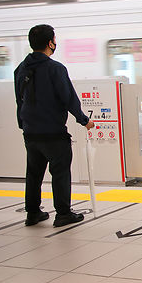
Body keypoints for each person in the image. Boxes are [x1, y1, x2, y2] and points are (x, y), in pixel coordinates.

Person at [14, 24, 94, 227]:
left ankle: (32, 213)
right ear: (50, 43)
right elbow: (68, 98)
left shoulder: (20, 69)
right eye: (54, 39)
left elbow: (19, 100)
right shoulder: (55, 69)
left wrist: (23, 125)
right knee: (59, 172)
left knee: (33, 173)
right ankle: (63, 213)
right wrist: (84, 120)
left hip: (31, 133)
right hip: (53, 133)